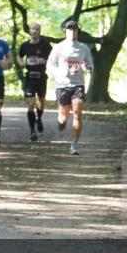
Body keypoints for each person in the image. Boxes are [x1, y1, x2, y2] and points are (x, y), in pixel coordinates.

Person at [46, 19, 94, 155]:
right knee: (64, 116)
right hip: (62, 85)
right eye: (69, 29)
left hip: (78, 84)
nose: (72, 32)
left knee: (78, 113)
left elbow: (90, 64)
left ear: (78, 31)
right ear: (65, 31)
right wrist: (59, 72)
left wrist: (87, 67)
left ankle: (74, 144)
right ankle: (61, 120)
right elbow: (50, 64)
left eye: (74, 29)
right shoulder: (59, 47)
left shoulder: (83, 48)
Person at [17, 22, 54, 142]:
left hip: (41, 77)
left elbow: (54, 58)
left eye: (37, 29)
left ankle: (39, 118)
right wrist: (21, 63)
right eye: (33, 29)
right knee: (31, 104)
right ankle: (32, 130)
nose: (34, 31)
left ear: (40, 31)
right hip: (29, 78)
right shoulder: (25, 45)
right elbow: (18, 56)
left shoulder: (45, 45)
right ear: (29, 31)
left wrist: (46, 60)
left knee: (41, 103)